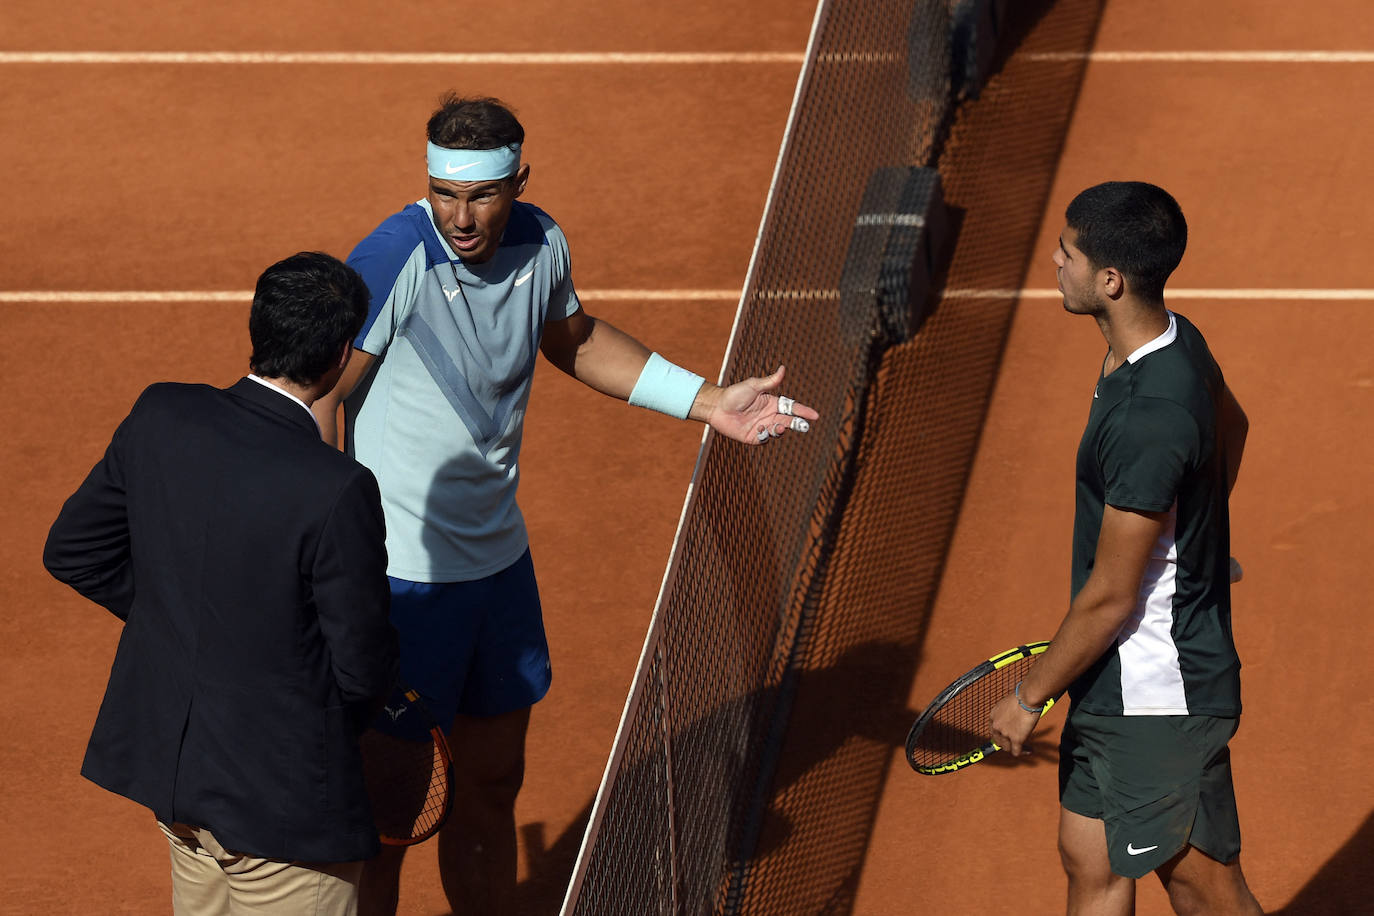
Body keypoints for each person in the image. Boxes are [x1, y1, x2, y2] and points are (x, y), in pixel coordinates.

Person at [310, 93, 819, 915]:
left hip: (498, 570)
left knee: (491, 787)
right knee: (388, 819)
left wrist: (707, 400)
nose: (461, 215)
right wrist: (333, 557)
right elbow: (323, 396)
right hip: (402, 581)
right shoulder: (395, 257)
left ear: (518, 182)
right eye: (444, 192)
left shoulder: (540, 240)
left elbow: (572, 339)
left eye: (480, 194)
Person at [43, 252, 399, 915]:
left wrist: (187, 624)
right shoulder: (336, 487)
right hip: (281, 815)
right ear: (341, 355)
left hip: (180, 791)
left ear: (257, 328)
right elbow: (359, 668)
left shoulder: (161, 416)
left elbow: (74, 552)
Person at [988, 182, 1260, 915]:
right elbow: (1232, 425)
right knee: (1091, 863)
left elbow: (1110, 597)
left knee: (1204, 890)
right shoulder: (1175, 340)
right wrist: (1196, 541)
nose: (1055, 261)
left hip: (1156, 691)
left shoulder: (1149, 417)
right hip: (1119, 681)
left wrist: (1029, 695)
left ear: (1110, 280)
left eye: (1068, 252)